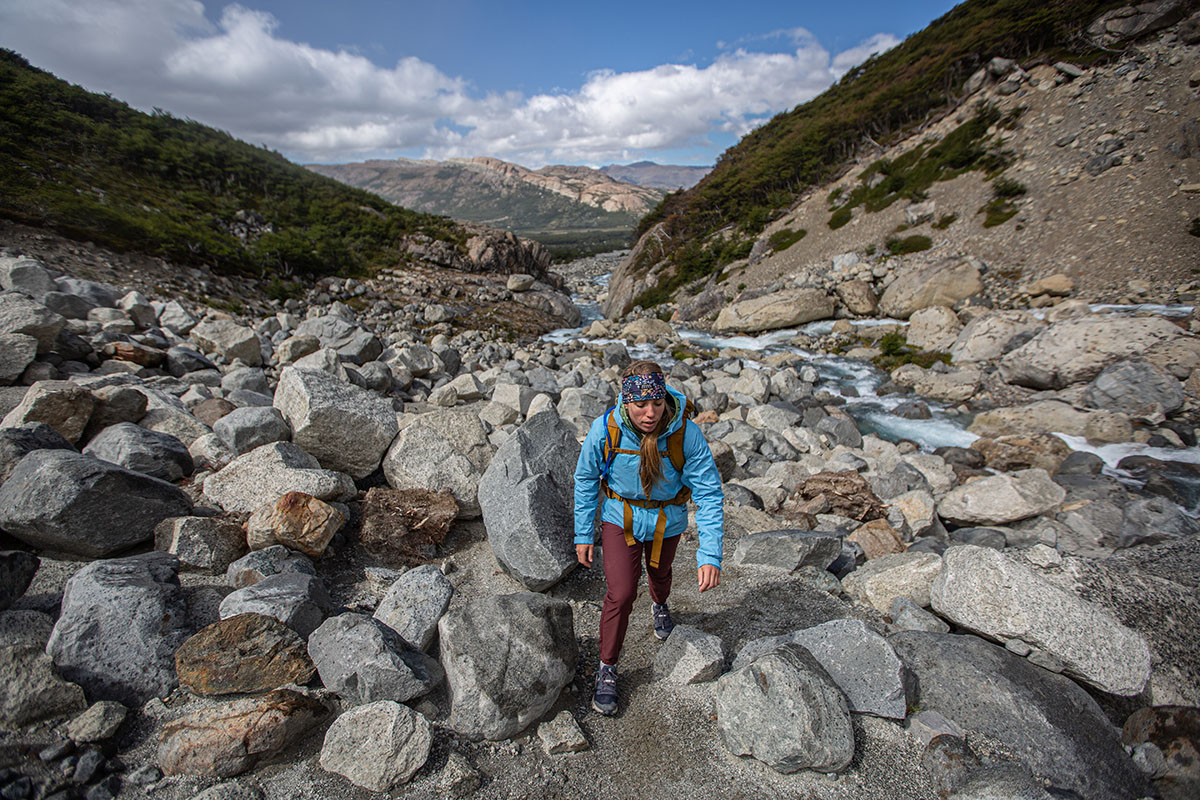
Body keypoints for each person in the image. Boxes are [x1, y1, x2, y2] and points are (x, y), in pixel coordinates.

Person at [573, 359, 725, 716]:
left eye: (656, 403)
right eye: (641, 404)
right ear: (626, 401)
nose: (651, 413)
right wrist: (583, 533)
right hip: (620, 518)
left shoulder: (685, 433)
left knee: (660, 574)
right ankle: (607, 668)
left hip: (666, 522)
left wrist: (710, 554)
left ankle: (660, 604)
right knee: (621, 593)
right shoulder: (605, 429)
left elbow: (708, 493)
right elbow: (586, 479)